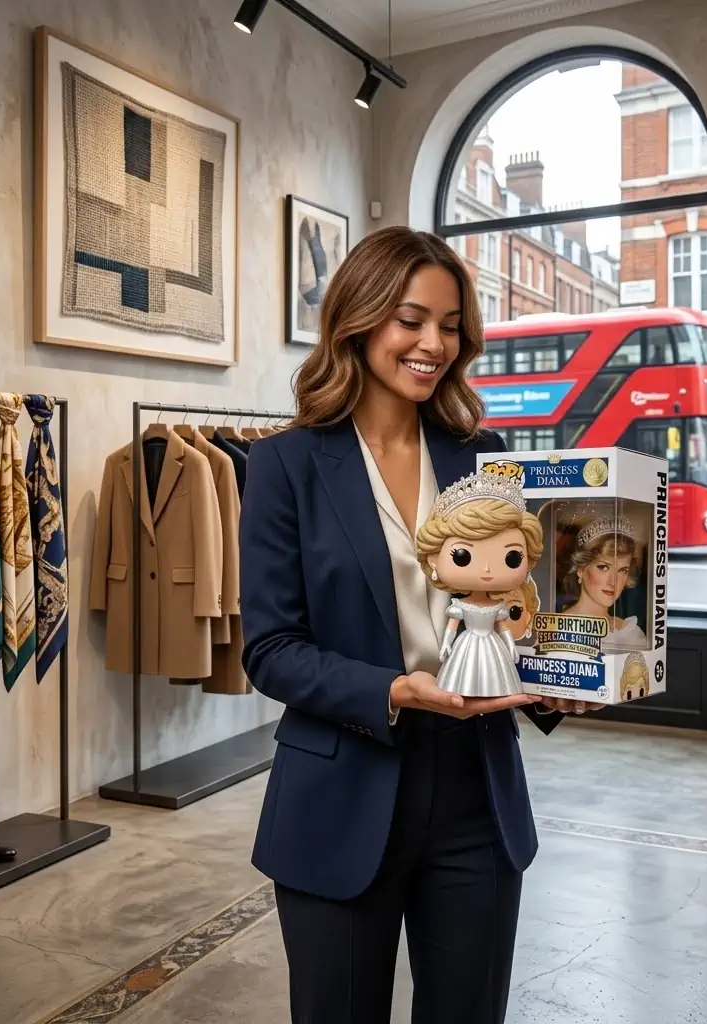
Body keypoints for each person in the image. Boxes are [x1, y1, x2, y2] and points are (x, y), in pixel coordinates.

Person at [238, 225, 600, 1024]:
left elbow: (513, 616)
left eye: (450, 325)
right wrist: (394, 690)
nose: (434, 343)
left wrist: (555, 685)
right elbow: (269, 650)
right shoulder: (285, 466)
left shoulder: (487, 459)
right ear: (359, 318)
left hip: (477, 792)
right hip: (339, 793)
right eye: (411, 319)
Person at [561, 515, 648, 654]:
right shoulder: (556, 631)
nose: (613, 581)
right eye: (603, 567)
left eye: (622, 570)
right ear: (581, 570)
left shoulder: (631, 634)